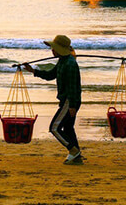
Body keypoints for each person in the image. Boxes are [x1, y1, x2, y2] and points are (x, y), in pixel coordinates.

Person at [23, 34, 84, 165]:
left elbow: (73, 86)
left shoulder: (70, 64)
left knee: (54, 128)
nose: (52, 50)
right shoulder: (62, 61)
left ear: (60, 49)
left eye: (54, 48)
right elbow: (51, 75)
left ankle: (73, 151)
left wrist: (72, 105)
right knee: (68, 128)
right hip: (67, 100)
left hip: (69, 100)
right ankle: (76, 156)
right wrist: (33, 71)